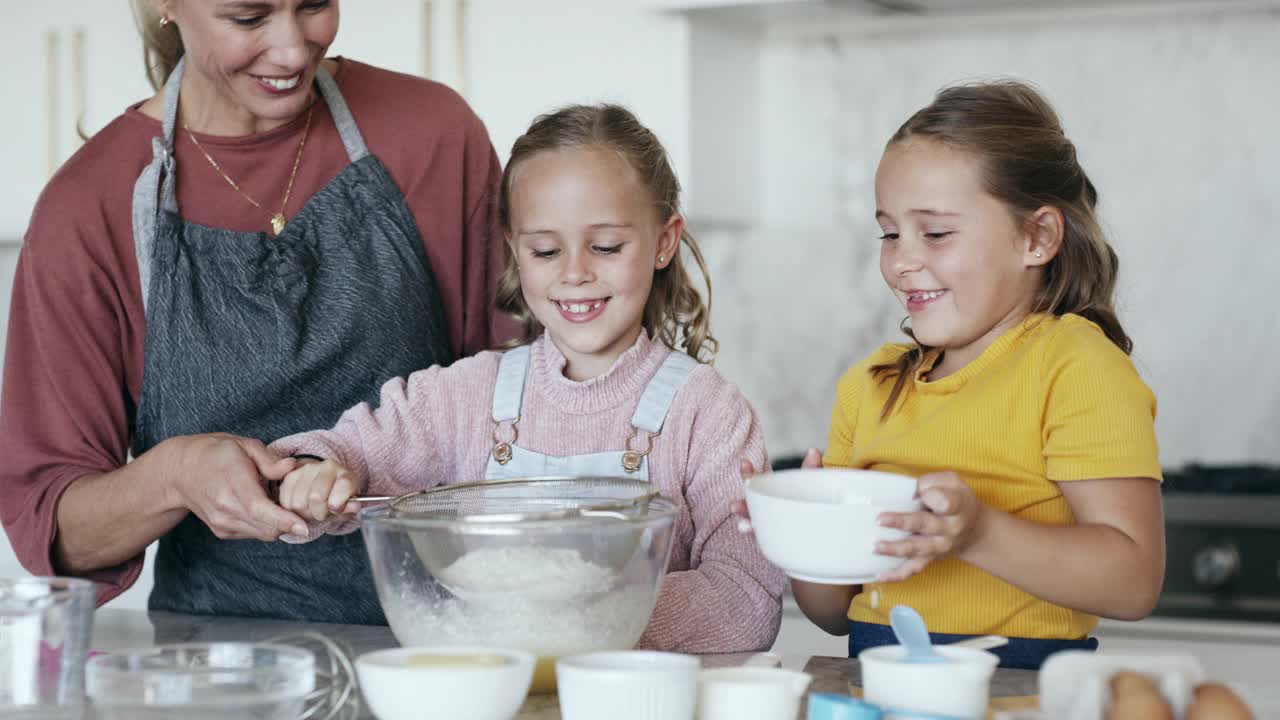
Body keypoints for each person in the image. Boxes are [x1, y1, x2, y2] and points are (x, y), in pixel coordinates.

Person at [0, 0, 507, 624]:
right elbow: (60, 535)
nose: (294, 49)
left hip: (457, 648)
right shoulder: (88, 208)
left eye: (315, 5)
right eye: (248, 18)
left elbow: (531, 400)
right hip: (217, 676)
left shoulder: (432, 133)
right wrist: (174, 476)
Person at [269, 103, 786, 653]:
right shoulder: (468, 396)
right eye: (545, 249)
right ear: (516, 251)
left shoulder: (707, 412)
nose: (574, 272)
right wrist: (316, 471)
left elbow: (745, 596)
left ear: (664, 242)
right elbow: (356, 454)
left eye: (607, 246)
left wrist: (584, 621)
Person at [737, 81, 1164, 669]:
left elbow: (1134, 581)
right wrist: (797, 535)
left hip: (1018, 691)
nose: (901, 260)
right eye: (889, 233)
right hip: (874, 682)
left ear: (1036, 237)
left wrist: (978, 534)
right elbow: (834, 613)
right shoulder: (871, 385)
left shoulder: (1075, 365)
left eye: (935, 233)